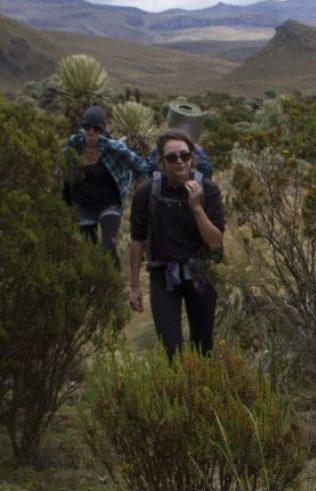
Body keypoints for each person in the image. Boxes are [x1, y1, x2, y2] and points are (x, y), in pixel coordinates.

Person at [129, 129, 225, 357]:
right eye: (172, 157)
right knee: (171, 348)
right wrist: (134, 287)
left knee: (204, 348)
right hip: (163, 275)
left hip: (201, 275)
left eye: (185, 155)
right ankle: (176, 390)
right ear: (161, 162)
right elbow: (136, 240)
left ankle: (203, 390)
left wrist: (197, 208)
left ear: (192, 157)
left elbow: (215, 242)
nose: (179, 161)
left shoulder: (208, 191)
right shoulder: (147, 193)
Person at [62, 105, 150, 268]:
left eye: (96, 128)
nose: (91, 132)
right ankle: (95, 285)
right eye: (87, 127)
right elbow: (58, 169)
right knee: (88, 250)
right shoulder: (73, 145)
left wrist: (140, 188)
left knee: (108, 245)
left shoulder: (112, 147)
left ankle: (113, 278)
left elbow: (141, 165)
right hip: (83, 204)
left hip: (109, 203)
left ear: (102, 130)